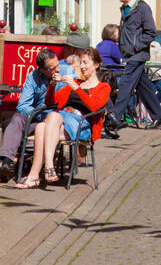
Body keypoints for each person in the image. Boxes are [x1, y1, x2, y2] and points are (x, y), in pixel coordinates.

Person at [10, 48, 111, 189]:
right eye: (80, 62)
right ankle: (34, 176)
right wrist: (52, 85)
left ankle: (48, 167)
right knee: (41, 126)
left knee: (52, 116)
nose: (82, 66)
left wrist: (76, 87)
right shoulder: (75, 82)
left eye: (85, 62)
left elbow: (94, 107)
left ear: (96, 65)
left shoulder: (103, 87)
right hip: (62, 121)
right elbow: (51, 102)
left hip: (82, 124)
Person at [0, 46, 72, 177]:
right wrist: (39, 114)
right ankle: (6, 162)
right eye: (52, 68)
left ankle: (13, 161)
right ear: (42, 70)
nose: (57, 69)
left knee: (12, 128)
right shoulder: (33, 77)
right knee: (17, 119)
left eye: (57, 64)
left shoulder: (65, 72)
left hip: (55, 121)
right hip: (37, 116)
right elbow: (22, 105)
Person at [110, 0, 161, 130]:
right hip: (130, 54)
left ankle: (114, 119)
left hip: (138, 55)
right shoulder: (125, 8)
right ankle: (159, 116)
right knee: (143, 87)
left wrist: (135, 46)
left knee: (125, 84)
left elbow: (151, 32)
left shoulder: (142, 8)